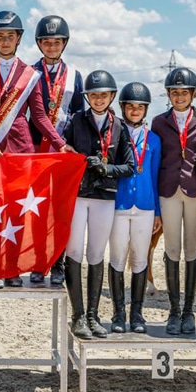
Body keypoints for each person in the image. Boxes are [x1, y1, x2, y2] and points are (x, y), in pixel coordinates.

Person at [0, 10, 74, 288]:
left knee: (15, 210)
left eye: (10, 36)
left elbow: (38, 116)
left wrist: (61, 144)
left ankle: (12, 267)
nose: (4, 41)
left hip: (21, 150)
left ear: (19, 39)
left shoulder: (30, 75)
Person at [62, 70, 133, 339]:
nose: (99, 99)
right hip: (78, 195)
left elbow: (129, 166)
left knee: (96, 254)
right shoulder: (76, 121)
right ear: (88, 97)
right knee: (75, 251)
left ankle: (93, 315)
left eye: (103, 95)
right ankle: (77, 315)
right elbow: (64, 151)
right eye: (94, 95)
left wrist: (105, 168)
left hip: (104, 196)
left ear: (111, 96)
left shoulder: (119, 126)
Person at [150, 67, 196, 334]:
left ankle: (189, 312)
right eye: (174, 92)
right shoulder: (158, 122)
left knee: (192, 249)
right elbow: (155, 161)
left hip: (195, 191)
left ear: (193, 94)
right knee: (172, 249)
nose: (179, 97)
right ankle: (174, 312)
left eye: (184, 93)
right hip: (168, 191)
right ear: (168, 94)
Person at [29, 15, 85, 286]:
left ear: (64, 44)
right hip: (37, 149)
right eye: (47, 42)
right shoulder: (29, 73)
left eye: (56, 42)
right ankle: (39, 262)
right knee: (38, 210)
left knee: (62, 210)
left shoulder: (75, 75)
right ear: (40, 44)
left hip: (64, 150)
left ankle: (58, 263)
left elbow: (78, 113)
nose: (52, 46)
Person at [108, 83, 162, 334]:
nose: (135, 111)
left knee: (140, 258)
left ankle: (137, 313)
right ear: (123, 108)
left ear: (145, 110)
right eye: (130, 107)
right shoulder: (114, 133)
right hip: (118, 204)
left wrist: (159, 211)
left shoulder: (154, 140)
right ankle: (118, 312)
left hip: (145, 205)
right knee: (118, 257)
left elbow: (155, 175)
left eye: (139, 107)